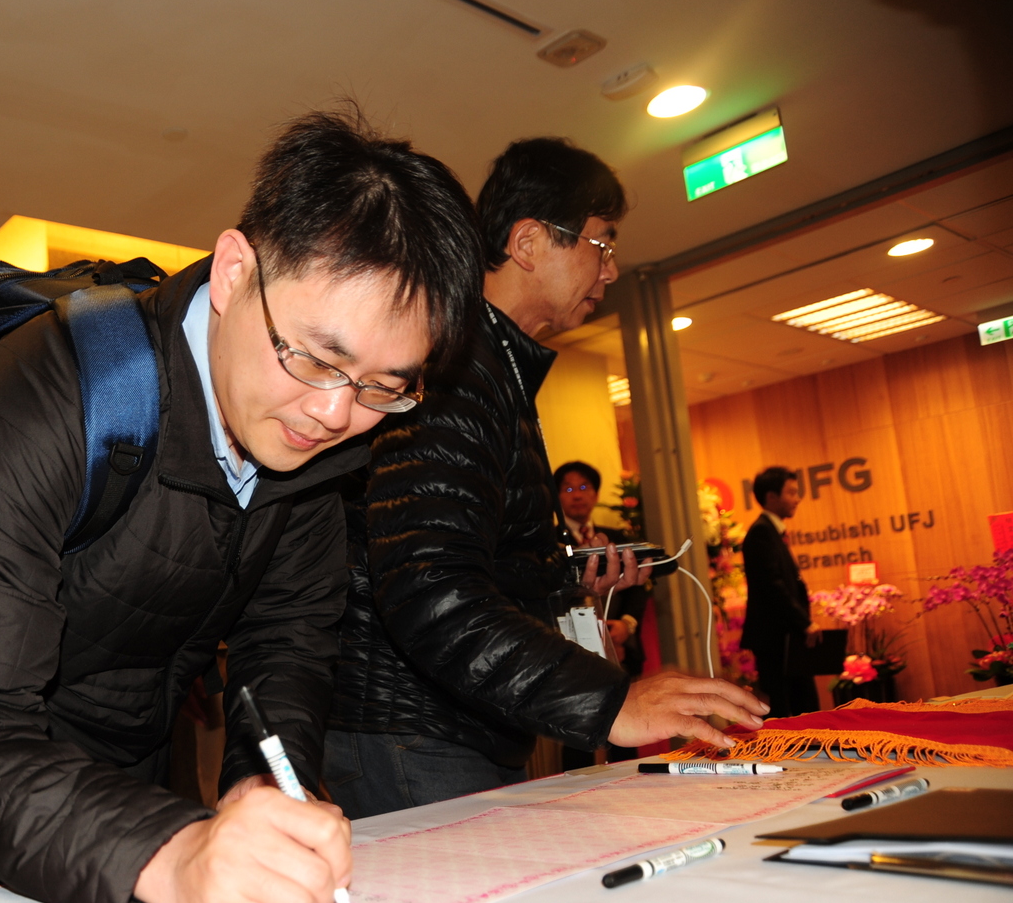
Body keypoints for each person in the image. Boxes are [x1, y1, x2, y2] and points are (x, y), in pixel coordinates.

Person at [0, 108, 482, 903]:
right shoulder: (51, 395)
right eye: (315, 357)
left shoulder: (315, 449)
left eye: (383, 386)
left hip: (119, 789)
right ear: (233, 272)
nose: (333, 414)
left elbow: (288, 637)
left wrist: (266, 782)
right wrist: (173, 852)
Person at [325, 137, 768, 819]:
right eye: (601, 242)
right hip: (415, 729)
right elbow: (428, 586)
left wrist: (562, 581)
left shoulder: (491, 364)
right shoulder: (456, 368)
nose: (610, 270)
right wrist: (612, 699)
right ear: (528, 241)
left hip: (446, 721)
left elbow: (471, 558)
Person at [555, 460, 647, 768]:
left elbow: (639, 589)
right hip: (570, 655)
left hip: (618, 648)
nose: (577, 495)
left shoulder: (618, 538)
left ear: (595, 494)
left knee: (626, 730)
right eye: (568, 488)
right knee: (575, 737)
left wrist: (627, 624)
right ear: (557, 497)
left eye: (583, 487)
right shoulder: (548, 544)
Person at [740, 466, 818, 718]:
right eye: (791, 492)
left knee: (803, 704)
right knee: (784, 708)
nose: (798, 498)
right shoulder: (761, 532)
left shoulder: (773, 531)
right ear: (772, 497)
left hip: (786, 636)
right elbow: (772, 586)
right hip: (776, 638)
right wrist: (804, 622)